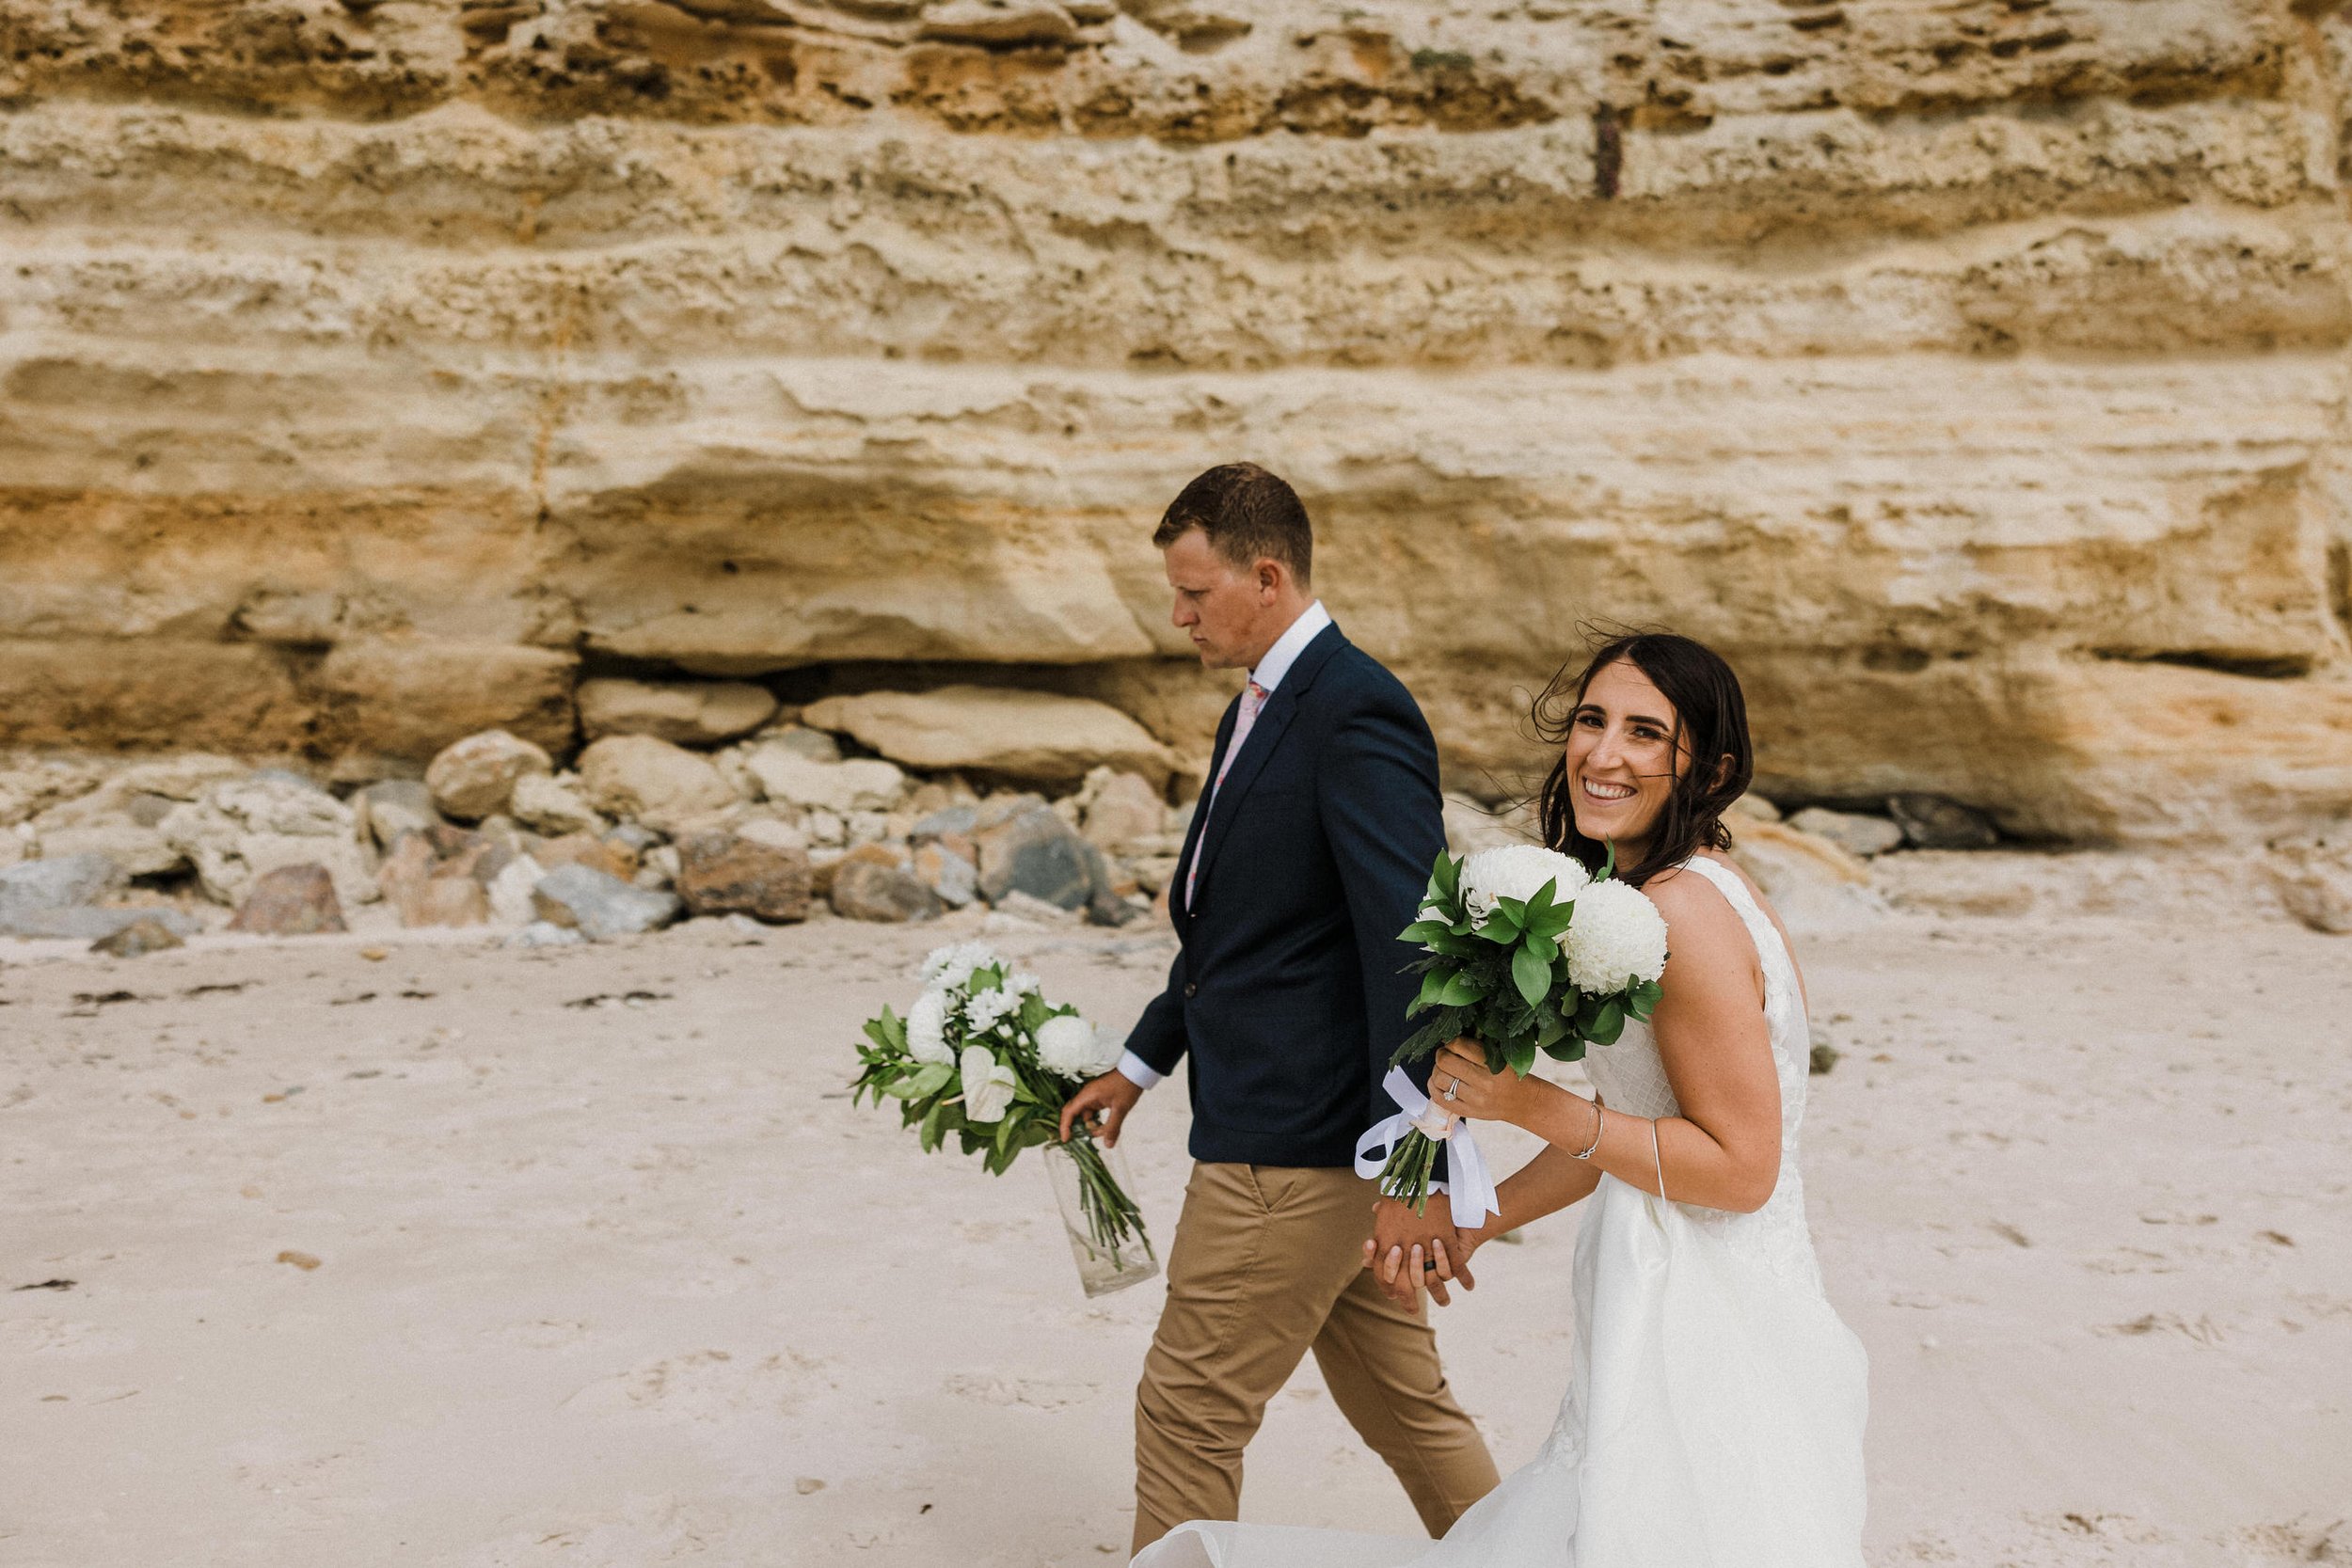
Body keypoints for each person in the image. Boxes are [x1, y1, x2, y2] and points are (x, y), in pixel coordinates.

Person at [1133, 631, 1870, 1568]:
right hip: (1659, 1276)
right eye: (1593, 720)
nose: (1603, 754)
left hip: (1706, 1308)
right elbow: (1643, 1120)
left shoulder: (1686, 911)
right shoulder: (1660, 889)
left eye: (1646, 733)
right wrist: (1478, 1215)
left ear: (1711, 768)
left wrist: (1526, 1101)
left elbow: (1739, 1169)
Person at [1058, 462, 1501, 1557]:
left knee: (1186, 1409)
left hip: (1293, 1148)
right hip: (1307, 1135)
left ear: (1266, 575)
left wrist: (1415, 1170)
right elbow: (1237, 937)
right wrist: (1139, 1062)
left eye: (1195, 592)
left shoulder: (1355, 709)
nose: (1178, 615)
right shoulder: (1257, 704)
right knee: (1406, 1409)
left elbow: (1408, 953)